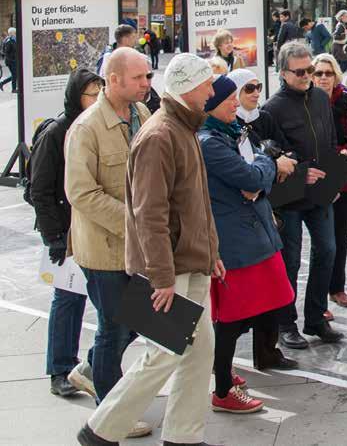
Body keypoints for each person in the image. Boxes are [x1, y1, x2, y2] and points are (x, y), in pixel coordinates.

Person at [76, 53, 223, 446]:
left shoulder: (182, 126)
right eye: (207, 84)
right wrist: (160, 277)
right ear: (189, 88)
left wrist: (212, 253)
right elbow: (149, 214)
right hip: (170, 268)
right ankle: (100, 430)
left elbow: (194, 203)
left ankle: (183, 435)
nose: (212, 91)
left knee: (198, 350)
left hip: (189, 261)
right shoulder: (161, 135)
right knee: (163, 354)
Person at [65, 50, 153, 437]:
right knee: (114, 328)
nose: (147, 83)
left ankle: (90, 369)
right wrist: (133, 224)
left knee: (142, 321)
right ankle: (108, 415)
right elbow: (81, 193)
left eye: (148, 76)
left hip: (141, 246)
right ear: (113, 80)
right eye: (138, 78)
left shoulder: (143, 115)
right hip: (105, 249)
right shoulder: (86, 129)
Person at [199, 75, 296, 415]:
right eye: (230, 99)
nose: (236, 103)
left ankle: (219, 366)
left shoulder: (228, 132)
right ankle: (222, 387)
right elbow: (251, 178)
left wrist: (260, 168)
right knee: (232, 315)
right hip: (235, 241)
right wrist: (269, 161)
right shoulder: (210, 141)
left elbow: (254, 179)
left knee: (271, 301)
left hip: (253, 233)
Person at [263, 41, 344, 347]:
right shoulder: (272, 108)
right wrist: (300, 172)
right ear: (283, 73)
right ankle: (286, 323)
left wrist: (333, 181)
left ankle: (315, 318)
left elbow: (330, 142)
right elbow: (271, 155)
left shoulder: (321, 99)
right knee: (291, 261)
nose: (307, 76)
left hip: (320, 191)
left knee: (327, 250)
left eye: (309, 69)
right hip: (290, 196)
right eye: (300, 72)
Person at [30, 69, 103, 398]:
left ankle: (88, 366)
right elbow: (40, 190)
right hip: (65, 229)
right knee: (69, 298)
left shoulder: (97, 125)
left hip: (91, 225)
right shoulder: (58, 131)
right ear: (76, 96)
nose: (96, 100)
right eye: (91, 94)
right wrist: (54, 236)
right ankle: (60, 368)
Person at [311, 53, 347, 310]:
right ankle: (318, 300)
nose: (323, 77)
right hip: (319, 177)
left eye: (328, 73)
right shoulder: (307, 100)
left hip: (346, 176)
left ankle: (337, 287)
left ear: (336, 74)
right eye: (318, 73)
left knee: (341, 235)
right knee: (323, 242)